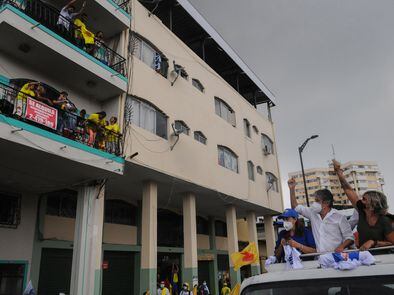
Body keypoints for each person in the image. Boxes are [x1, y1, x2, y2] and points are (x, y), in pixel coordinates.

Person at [333, 160, 394, 250]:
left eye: (364, 199)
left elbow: (392, 243)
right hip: (364, 258)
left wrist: (373, 242)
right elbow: (348, 190)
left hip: (383, 259)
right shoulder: (362, 212)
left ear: (374, 203)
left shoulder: (385, 221)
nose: (361, 200)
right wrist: (339, 173)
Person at [289, 178, 354, 253]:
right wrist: (292, 189)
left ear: (326, 203)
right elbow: (295, 207)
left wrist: (341, 247)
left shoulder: (339, 217)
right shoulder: (312, 213)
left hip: (338, 258)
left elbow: (350, 238)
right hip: (321, 258)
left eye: (317, 201)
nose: (314, 203)